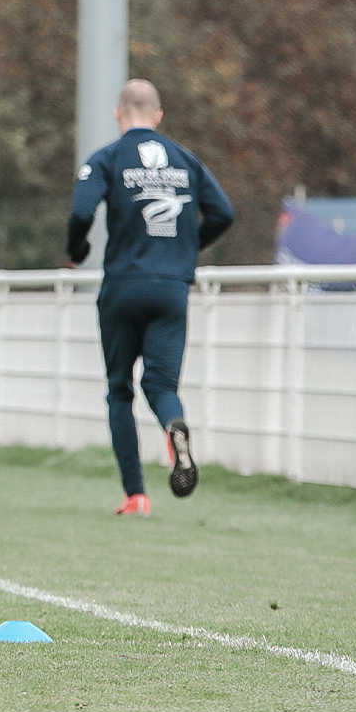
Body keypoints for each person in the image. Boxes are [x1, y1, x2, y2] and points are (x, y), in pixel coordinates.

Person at [67, 79, 234, 516]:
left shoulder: (108, 157)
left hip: (123, 286)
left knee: (119, 390)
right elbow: (224, 212)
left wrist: (77, 251)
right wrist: (185, 248)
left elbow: (82, 211)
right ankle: (174, 427)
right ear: (158, 116)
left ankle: (136, 494)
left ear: (118, 115)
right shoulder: (185, 159)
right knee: (160, 385)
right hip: (172, 288)